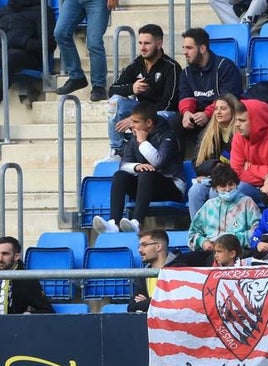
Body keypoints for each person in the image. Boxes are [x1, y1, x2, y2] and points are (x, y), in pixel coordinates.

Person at [91, 107, 185, 234]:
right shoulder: (134, 139)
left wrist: (142, 142)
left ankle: (136, 223)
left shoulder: (168, 136)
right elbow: (123, 165)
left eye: (135, 122)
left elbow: (158, 162)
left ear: (148, 123)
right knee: (120, 175)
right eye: (131, 121)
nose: (131, 125)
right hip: (146, 187)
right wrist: (136, 166)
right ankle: (114, 223)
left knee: (146, 174)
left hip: (172, 188)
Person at [106, 24, 182, 157]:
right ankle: (117, 149)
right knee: (115, 101)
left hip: (166, 113)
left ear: (159, 44)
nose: (142, 48)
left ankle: (147, 146)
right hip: (142, 110)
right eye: (140, 43)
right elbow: (112, 90)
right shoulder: (137, 64)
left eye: (147, 43)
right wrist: (132, 88)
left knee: (163, 115)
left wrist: (135, 118)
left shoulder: (171, 67)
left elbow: (169, 103)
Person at [177, 28, 244, 148]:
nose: (185, 52)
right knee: (171, 124)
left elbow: (229, 99)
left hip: (219, 116)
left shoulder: (225, 67)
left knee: (206, 133)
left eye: (189, 48)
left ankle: (202, 160)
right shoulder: (186, 73)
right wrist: (187, 113)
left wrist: (207, 114)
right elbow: (185, 96)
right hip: (196, 117)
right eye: (184, 48)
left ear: (202, 48)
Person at [188, 94, 242, 218]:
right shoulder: (206, 133)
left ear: (233, 111)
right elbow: (197, 164)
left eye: (223, 108)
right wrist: (216, 165)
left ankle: (220, 228)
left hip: (234, 180)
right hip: (211, 178)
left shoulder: (241, 131)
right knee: (195, 191)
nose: (218, 112)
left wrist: (220, 169)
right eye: (216, 109)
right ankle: (197, 228)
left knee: (215, 192)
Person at [188, 165, 262, 252]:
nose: (227, 189)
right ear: (215, 188)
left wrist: (235, 240)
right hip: (211, 252)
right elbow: (193, 233)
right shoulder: (209, 205)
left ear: (236, 184)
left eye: (231, 184)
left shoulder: (247, 202)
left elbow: (258, 230)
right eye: (223, 186)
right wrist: (203, 242)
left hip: (236, 251)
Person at [128, 228, 175, 312]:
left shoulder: (178, 269)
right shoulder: (142, 275)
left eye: (144, 245)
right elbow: (132, 307)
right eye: (139, 246)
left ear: (158, 246)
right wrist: (152, 301)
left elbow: (173, 301)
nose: (139, 250)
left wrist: (145, 301)